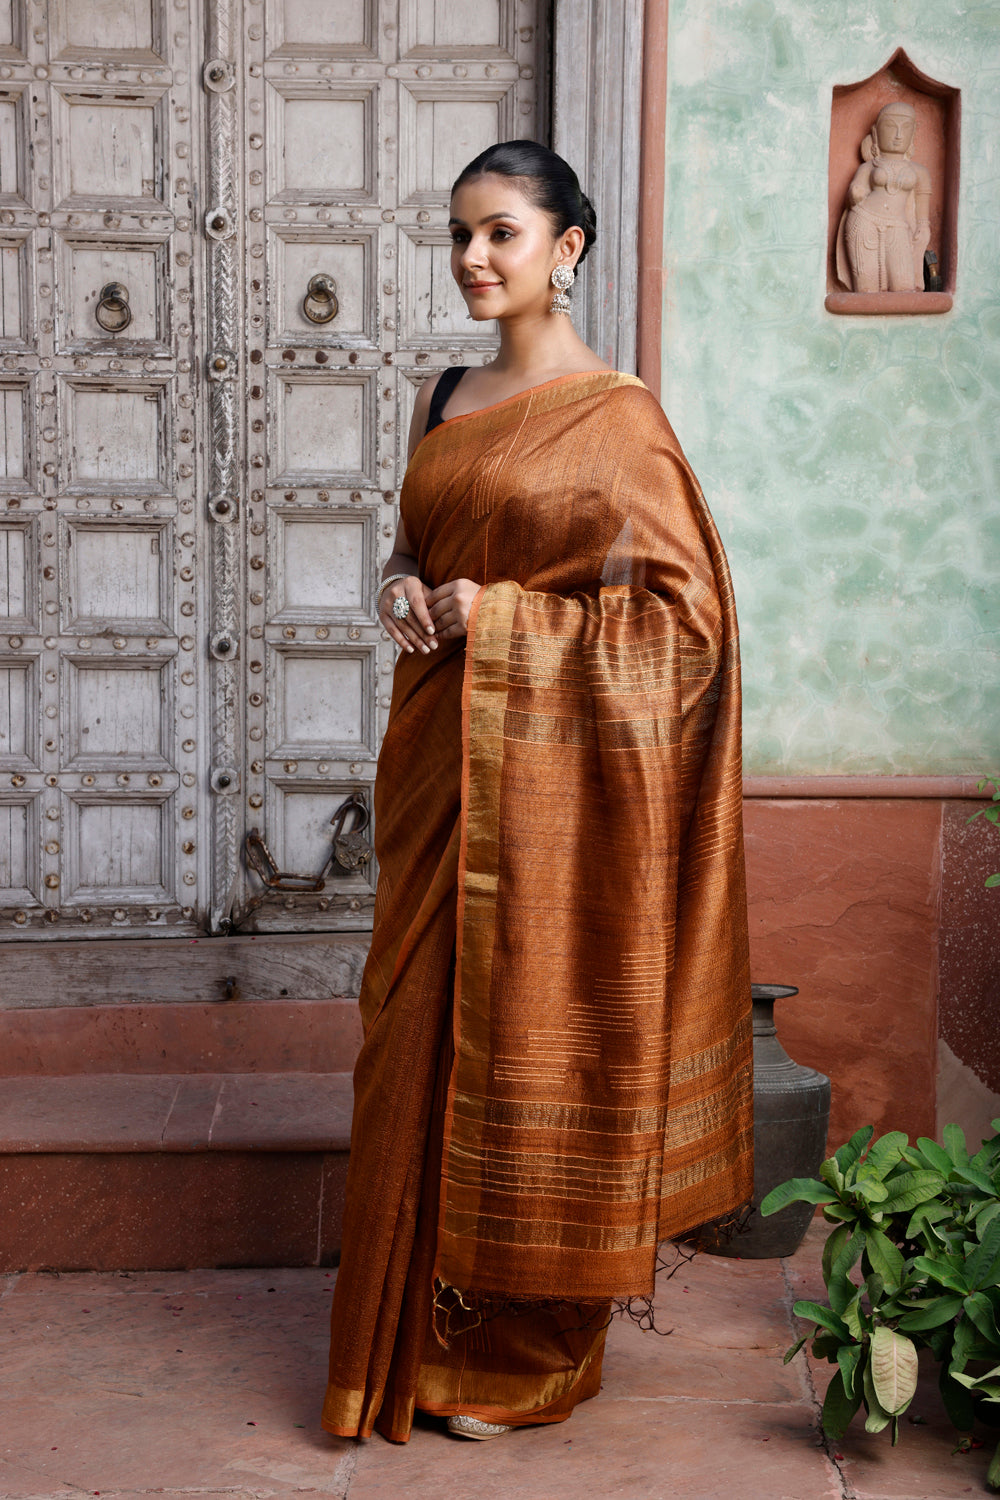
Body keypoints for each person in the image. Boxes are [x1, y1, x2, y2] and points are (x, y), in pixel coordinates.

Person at [322, 140, 753, 1445]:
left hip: (553, 801)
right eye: (460, 233)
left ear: (566, 247)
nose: (473, 256)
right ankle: (408, 1331)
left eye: (500, 232)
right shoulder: (443, 394)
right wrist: (402, 588)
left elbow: (687, 631)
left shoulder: (618, 420)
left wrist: (501, 618)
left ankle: (524, 1355)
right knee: (411, 1036)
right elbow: (414, 545)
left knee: (534, 1037)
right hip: (439, 771)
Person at [836, 101, 932, 293]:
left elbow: (922, 206)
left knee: (904, 286)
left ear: (913, 133)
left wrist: (923, 226)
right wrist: (855, 193)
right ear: (876, 132)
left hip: (898, 226)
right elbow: (854, 191)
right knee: (866, 287)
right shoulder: (868, 167)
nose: (898, 135)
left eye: (905, 128)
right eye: (890, 127)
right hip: (863, 220)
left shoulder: (919, 172)